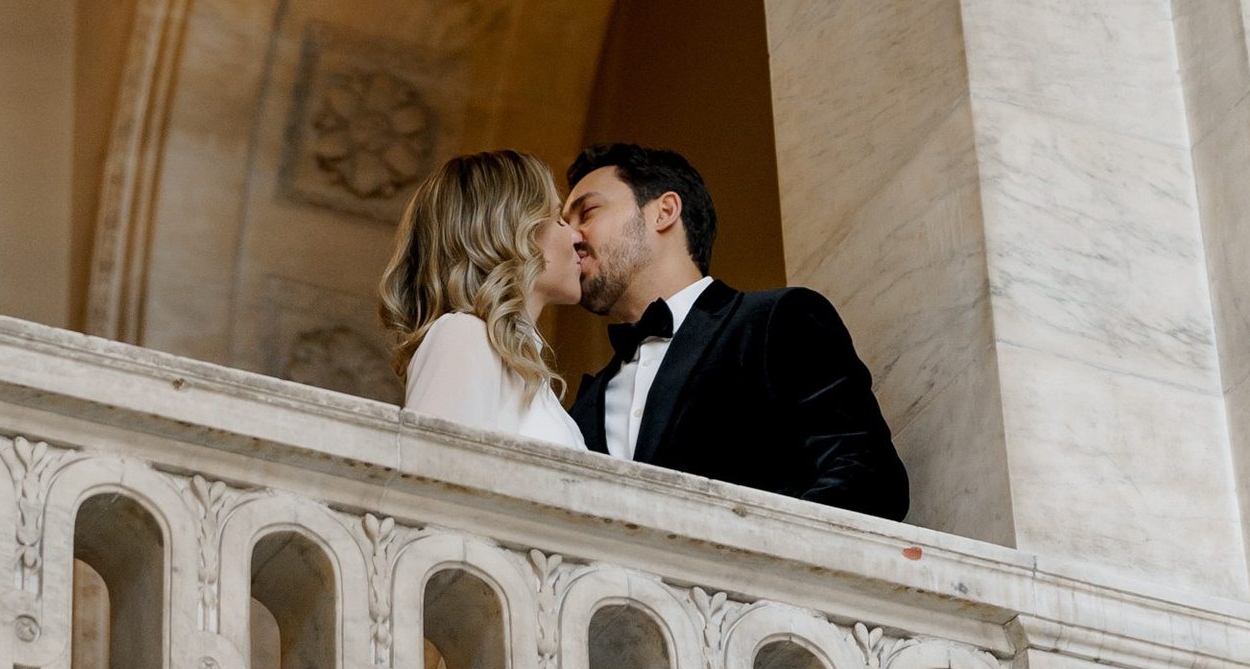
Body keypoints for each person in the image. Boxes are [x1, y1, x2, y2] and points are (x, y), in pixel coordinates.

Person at [563, 139, 907, 516]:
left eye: (587, 212)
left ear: (664, 211)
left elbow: (869, 477)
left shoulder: (780, 320)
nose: (572, 236)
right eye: (565, 224)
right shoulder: (582, 408)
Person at [381, 148, 588, 447]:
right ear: (513, 229)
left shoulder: (508, 358)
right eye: (558, 219)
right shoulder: (464, 334)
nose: (577, 236)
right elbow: (431, 476)